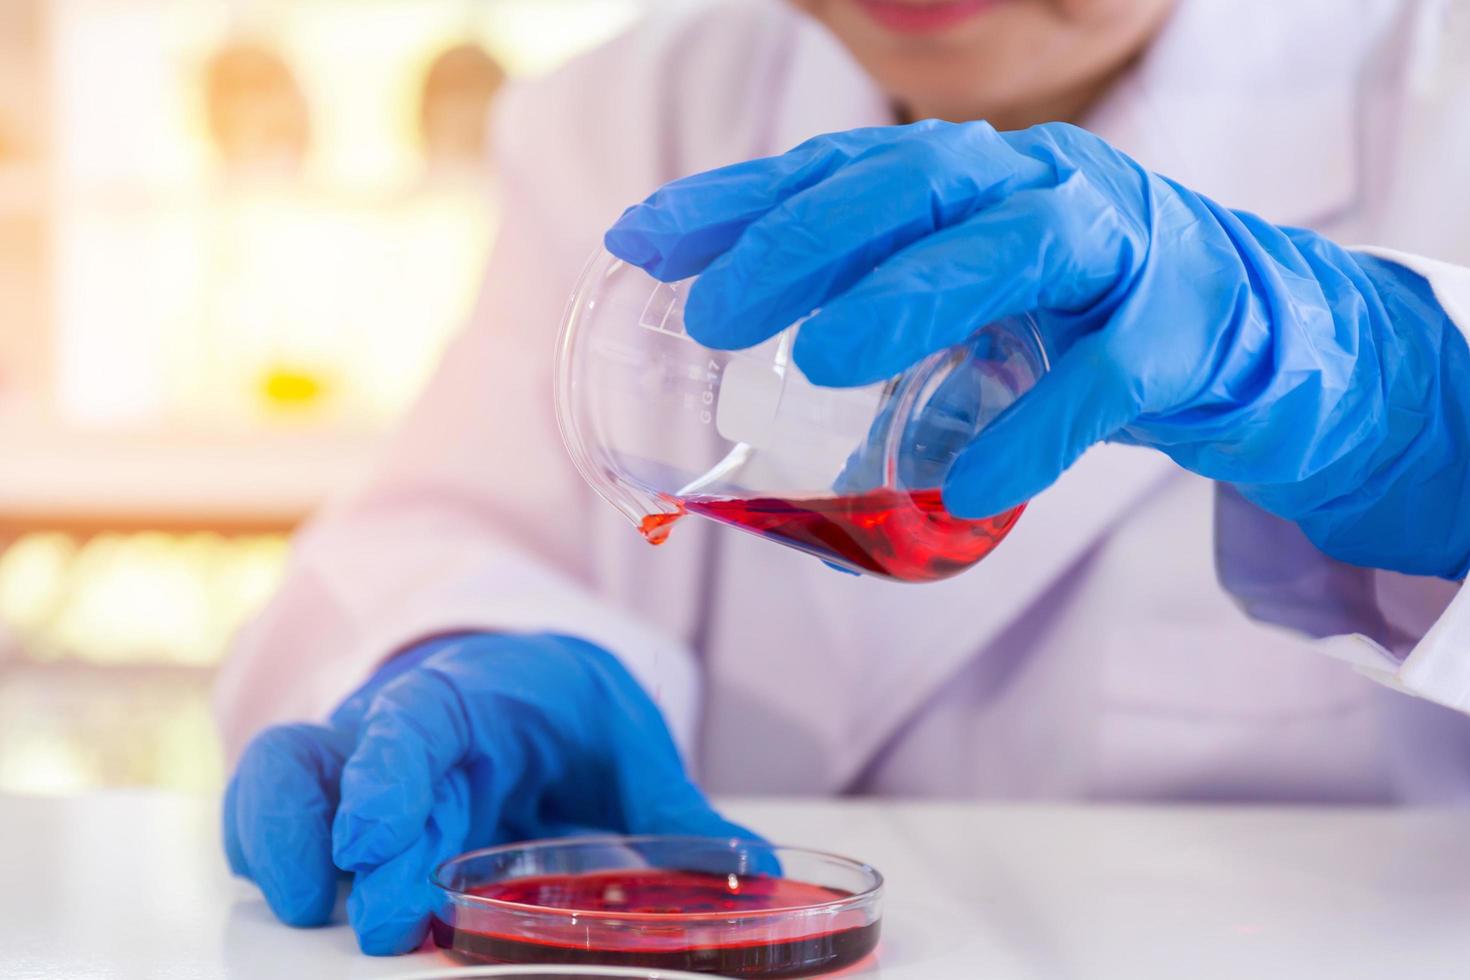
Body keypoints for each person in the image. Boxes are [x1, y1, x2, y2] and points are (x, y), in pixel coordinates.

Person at [217, 0, 1470, 955]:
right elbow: (454, 522)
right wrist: (462, 651)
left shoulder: (1437, 86)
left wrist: (1418, 414)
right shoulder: (640, 104)